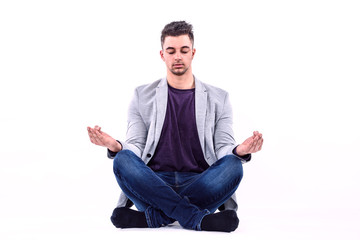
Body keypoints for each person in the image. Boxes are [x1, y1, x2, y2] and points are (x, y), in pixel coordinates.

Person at [87, 21, 263, 232]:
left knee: (234, 165)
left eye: (183, 50)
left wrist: (239, 151)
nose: (177, 56)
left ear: (193, 53)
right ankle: (194, 218)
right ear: (162, 55)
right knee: (122, 159)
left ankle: (154, 218)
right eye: (171, 51)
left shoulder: (220, 99)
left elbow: (223, 148)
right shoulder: (141, 96)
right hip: (152, 184)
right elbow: (135, 145)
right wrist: (115, 146)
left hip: (200, 184)